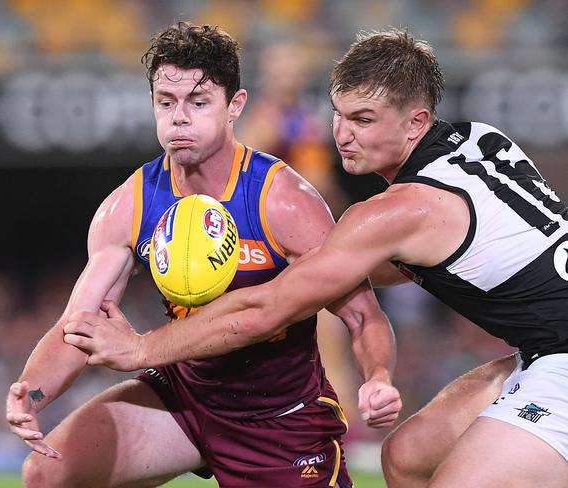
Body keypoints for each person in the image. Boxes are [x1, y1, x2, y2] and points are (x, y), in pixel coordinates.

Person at [65, 29, 568, 488]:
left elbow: (265, 310)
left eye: (364, 120)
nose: (343, 134)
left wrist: (141, 350)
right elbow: (430, 256)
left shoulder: (398, 210)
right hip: (544, 347)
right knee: (408, 457)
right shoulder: (481, 139)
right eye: (339, 114)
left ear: (417, 121)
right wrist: (308, 259)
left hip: (562, 361)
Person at [6, 22, 402, 488]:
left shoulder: (284, 201)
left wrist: (377, 375)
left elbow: (362, 316)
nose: (179, 118)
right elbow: (81, 322)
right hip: (184, 399)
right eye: (166, 102)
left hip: (279, 418)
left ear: (235, 106)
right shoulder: (129, 205)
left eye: (198, 102)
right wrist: (32, 393)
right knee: (46, 473)